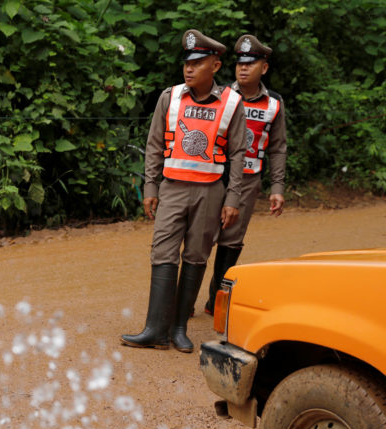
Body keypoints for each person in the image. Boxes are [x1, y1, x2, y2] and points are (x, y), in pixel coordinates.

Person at [121, 29, 247, 353]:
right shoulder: (170, 97)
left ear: (215, 66)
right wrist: (150, 186)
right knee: (162, 252)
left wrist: (233, 199)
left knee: (195, 256)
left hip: (210, 193)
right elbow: (153, 145)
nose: (189, 69)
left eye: (198, 62)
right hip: (172, 189)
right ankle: (154, 329)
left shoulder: (232, 104)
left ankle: (178, 329)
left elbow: (238, 155)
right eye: (186, 63)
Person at [203, 34, 287, 314]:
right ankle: (184, 301)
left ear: (263, 68)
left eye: (251, 63)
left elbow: (277, 148)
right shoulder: (221, 97)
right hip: (216, 176)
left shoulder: (274, 104)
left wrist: (277, 187)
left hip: (250, 180)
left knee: (231, 240)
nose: (243, 68)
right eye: (240, 62)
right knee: (201, 236)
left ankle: (217, 299)